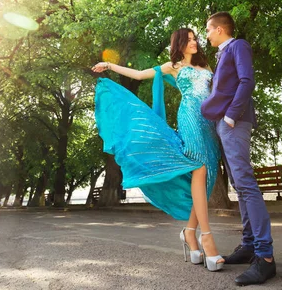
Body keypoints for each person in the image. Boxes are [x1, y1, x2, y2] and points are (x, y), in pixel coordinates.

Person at [92, 28, 224, 271]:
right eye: (190, 39)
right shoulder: (173, 66)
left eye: (196, 39)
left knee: (206, 178)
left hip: (210, 125)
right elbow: (141, 74)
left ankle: (189, 233)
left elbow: (220, 94)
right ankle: (207, 238)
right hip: (191, 120)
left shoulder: (207, 68)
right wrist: (110, 66)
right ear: (180, 43)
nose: (195, 43)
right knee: (200, 169)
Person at [201, 12, 276, 285]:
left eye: (208, 30)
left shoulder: (238, 46)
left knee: (245, 185)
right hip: (224, 123)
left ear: (219, 29)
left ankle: (265, 258)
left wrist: (232, 115)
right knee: (239, 185)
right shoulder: (222, 54)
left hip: (235, 121)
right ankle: (248, 247)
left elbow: (247, 81)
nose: (206, 35)